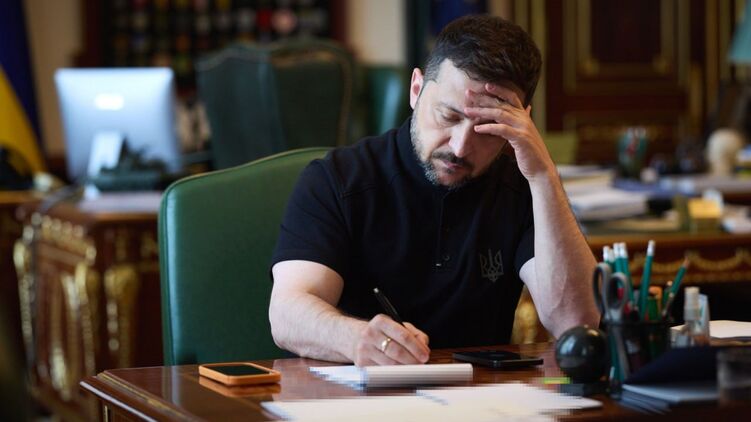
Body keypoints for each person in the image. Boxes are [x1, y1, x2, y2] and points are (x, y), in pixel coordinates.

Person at [269, 14, 599, 366]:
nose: (460, 147)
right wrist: (354, 339)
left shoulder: (523, 188)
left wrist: (544, 177)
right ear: (416, 89)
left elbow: (577, 323)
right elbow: (287, 315)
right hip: (358, 389)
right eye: (448, 116)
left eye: (487, 128)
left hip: (483, 393)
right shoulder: (337, 179)